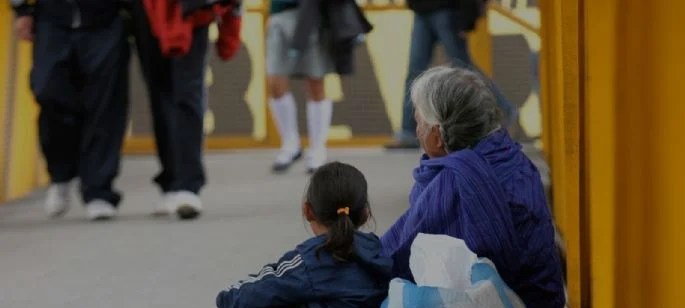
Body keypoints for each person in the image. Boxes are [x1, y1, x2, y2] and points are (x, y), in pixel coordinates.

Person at [381, 66, 566, 308]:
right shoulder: (517, 161)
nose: (417, 128)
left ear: (438, 136)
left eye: (419, 121)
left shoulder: (454, 183)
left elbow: (393, 259)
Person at [177, 162, 393, 308]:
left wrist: (227, 300)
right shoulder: (377, 251)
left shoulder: (312, 257)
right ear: (365, 214)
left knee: (261, 296)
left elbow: (265, 285)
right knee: (289, 297)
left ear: (307, 210)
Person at [12, 0, 130, 220]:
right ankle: (61, 174)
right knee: (47, 91)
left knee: (105, 104)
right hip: (52, 18)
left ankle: (99, 190)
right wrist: (21, 10)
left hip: (105, 19)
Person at [128, 0, 241, 220]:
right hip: (146, 9)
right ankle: (171, 181)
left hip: (191, 9)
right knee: (159, 94)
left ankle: (189, 185)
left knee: (187, 93)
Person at [384, 0, 528, 149]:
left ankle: (505, 109)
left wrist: (467, 18)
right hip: (422, 9)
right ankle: (408, 132)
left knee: (464, 69)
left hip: (448, 9)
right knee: (415, 71)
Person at [267, 0, 372, 174]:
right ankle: (290, 144)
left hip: (310, 13)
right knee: (275, 83)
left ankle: (317, 149)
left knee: (315, 81)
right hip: (279, 14)